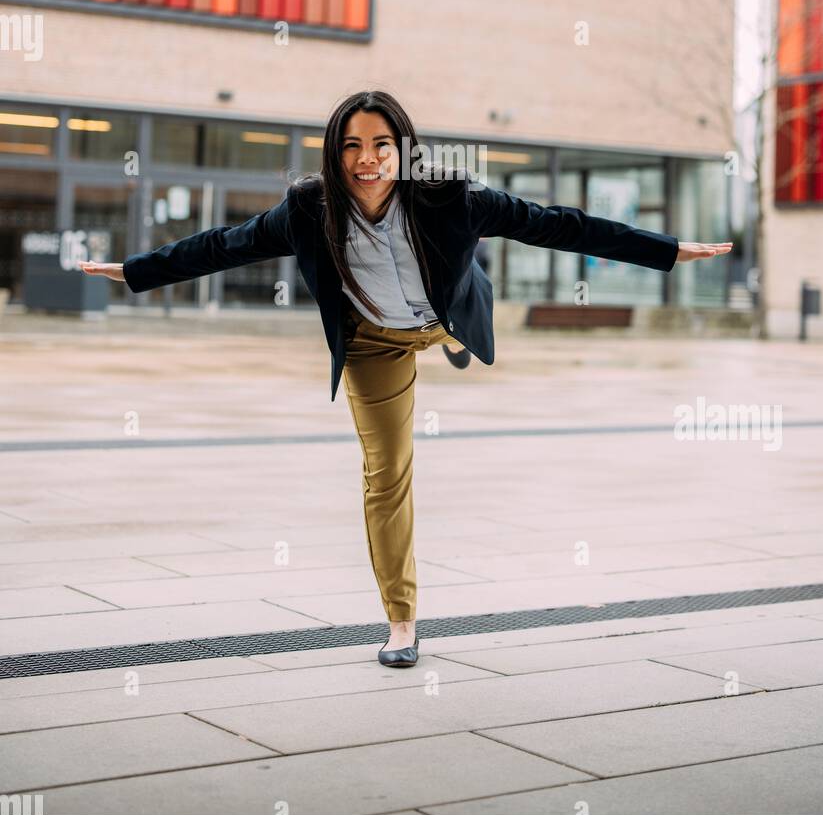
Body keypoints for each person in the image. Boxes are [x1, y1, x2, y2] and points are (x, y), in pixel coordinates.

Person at [79, 90, 732, 668]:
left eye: (381, 144)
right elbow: (225, 244)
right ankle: (400, 621)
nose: (367, 158)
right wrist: (134, 272)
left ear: (403, 149)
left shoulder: (453, 197)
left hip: (439, 316)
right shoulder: (307, 209)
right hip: (373, 344)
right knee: (384, 474)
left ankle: (450, 339)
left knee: (450, 321)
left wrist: (665, 250)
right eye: (352, 145)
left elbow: (556, 224)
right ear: (334, 153)